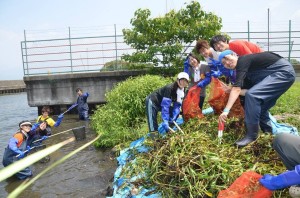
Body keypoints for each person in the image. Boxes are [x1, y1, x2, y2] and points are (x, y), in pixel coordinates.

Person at [218, 50, 295, 147]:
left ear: (234, 55)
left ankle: (251, 136)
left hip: (283, 72)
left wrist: (226, 111)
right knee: (259, 107)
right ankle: (269, 133)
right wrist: (231, 90)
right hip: (280, 75)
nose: (227, 63)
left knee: (253, 96)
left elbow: (239, 90)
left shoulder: (243, 60)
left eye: (227, 59)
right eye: (224, 63)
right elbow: (247, 91)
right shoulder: (245, 73)